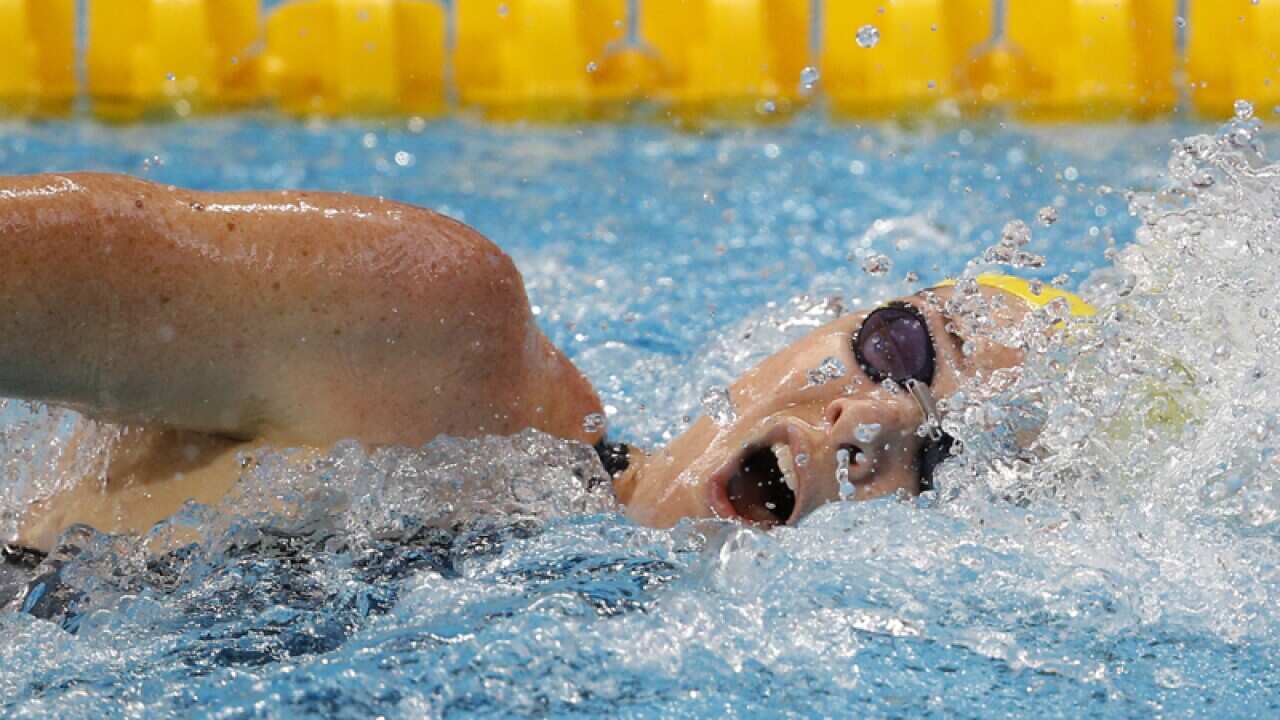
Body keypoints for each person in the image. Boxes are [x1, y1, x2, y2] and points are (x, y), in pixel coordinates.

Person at [0, 172, 1092, 556]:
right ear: (810, 325)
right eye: (900, 350)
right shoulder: (434, 334)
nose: (867, 421)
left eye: (943, 458)